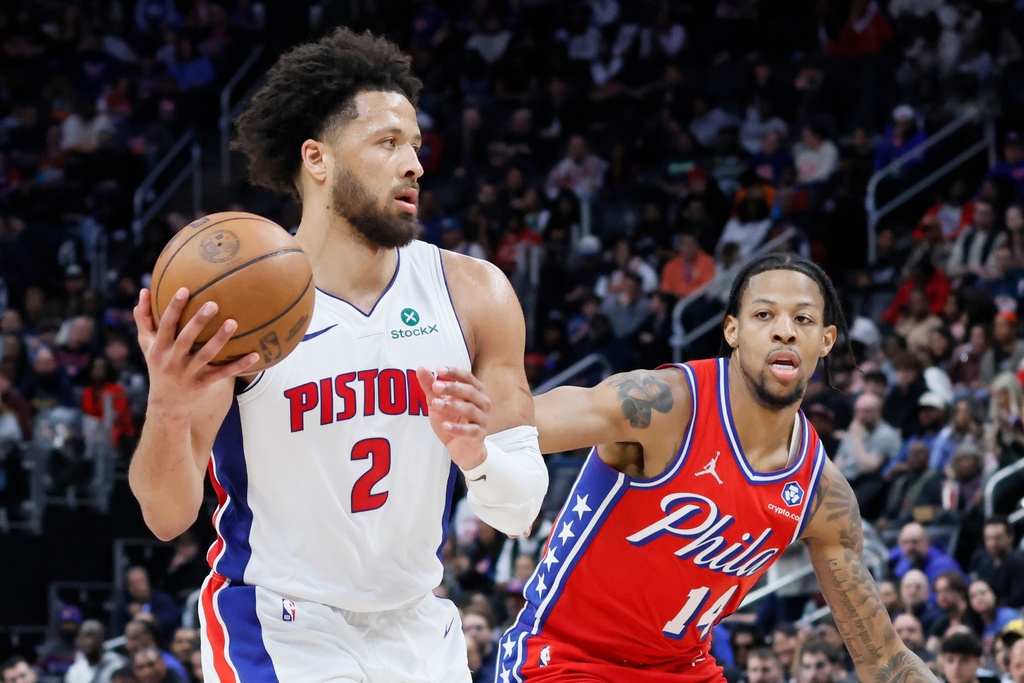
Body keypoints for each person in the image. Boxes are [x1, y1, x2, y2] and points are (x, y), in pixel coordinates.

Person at [128, 28, 546, 682]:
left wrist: (478, 456)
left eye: (414, 144)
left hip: (416, 623)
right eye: (387, 143)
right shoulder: (241, 304)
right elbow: (165, 515)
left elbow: (517, 510)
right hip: (278, 623)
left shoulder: (474, 294)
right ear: (316, 159)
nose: (414, 164)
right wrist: (168, 405)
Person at [498, 253, 937, 681]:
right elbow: (520, 422)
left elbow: (884, 661)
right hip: (566, 659)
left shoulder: (824, 496)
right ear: (733, 330)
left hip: (683, 669)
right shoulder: (662, 405)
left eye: (802, 319)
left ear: (826, 340)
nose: (784, 331)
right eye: (764, 315)